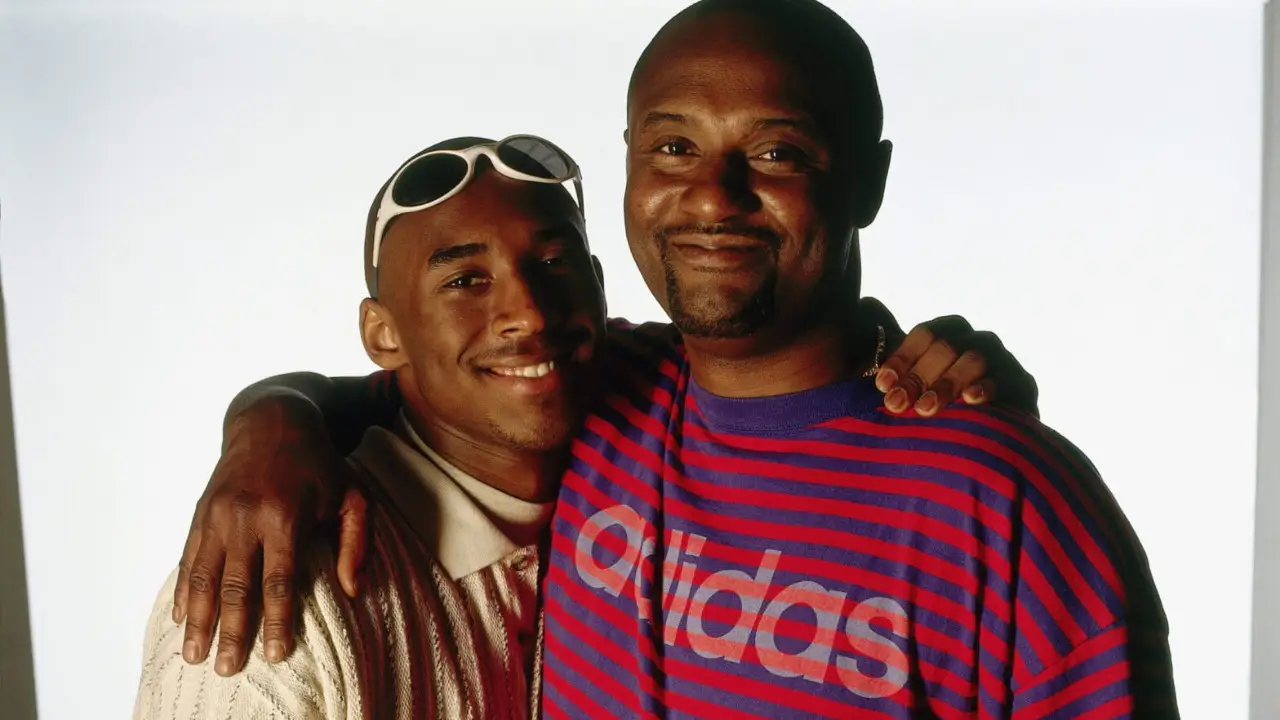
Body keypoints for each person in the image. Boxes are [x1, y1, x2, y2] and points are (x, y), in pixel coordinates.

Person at [165, 0, 1177, 717]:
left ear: (866, 182)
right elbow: (429, 388)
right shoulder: (602, 389)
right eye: (673, 147)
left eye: (776, 152)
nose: (711, 196)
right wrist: (270, 425)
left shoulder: (1008, 502)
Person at [135, 135, 610, 718]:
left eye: (554, 263)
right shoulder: (278, 585)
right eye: (465, 280)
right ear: (383, 336)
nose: (529, 314)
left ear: (600, 285)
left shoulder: (641, 455)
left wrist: (275, 411)